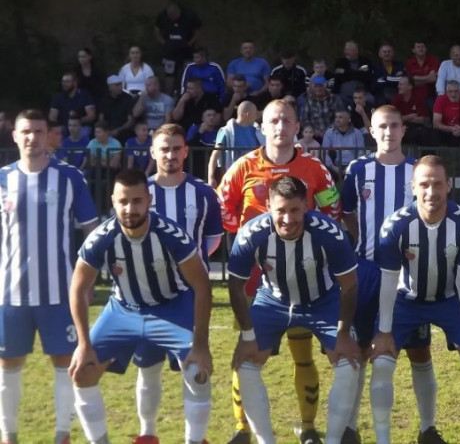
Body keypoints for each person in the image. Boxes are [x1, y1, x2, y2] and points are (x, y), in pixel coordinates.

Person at [216, 99, 340, 444]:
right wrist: (247, 237)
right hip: (254, 283)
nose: (280, 126)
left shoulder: (315, 168)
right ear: (262, 127)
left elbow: (332, 209)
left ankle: (308, 426)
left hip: (302, 280)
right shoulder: (242, 167)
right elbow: (222, 209)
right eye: (273, 120)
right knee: (247, 353)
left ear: (297, 126)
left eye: (286, 120)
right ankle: (243, 429)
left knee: (303, 355)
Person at [69, 169, 213, 444]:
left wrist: (201, 344)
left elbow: (202, 285)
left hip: (172, 306)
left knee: (198, 372)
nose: (130, 208)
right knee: (82, 372)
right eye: (123, 201)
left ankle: (195, 440)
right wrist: (83, 344)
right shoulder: (101, 237)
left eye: (137, 201)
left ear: (149, 200)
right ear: (113, 201)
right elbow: (77, 288)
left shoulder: (171, 235)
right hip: (124, 309)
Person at [226, 176, 360, 444]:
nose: (287, 219)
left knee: (348, 365)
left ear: (306, 206)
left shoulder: (329, 232)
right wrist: (247, 336)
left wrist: (344, 333)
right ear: (268, 207)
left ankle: (333, 440)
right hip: (272, 301)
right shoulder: (252, 233)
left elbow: (349, 285)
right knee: (246, 363)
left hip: (322, 301)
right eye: (281, 211)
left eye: (295, 210)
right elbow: (235, 286)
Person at [370, 155, 460, 444]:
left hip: (450, 299)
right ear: (413, 187)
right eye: (424, 184)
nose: (431, 191)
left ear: (449, 185)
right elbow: (388, 282)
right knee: (382, 364)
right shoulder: (395, 226)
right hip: (405, 301)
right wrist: (384, 331)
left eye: (438, 184)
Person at [341, 106, 445, 444]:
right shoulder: (358, 170)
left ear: (403, 130)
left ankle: (428, 427)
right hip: (367, 272)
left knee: (419, 350)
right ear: (372, 131)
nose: (388, 132)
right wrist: (368, 244)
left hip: (408, 274)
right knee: (358, 349)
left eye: (394, 126)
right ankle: (350, 427)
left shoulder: (417, 170)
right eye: (382, 126)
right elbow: (348, 214)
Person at [0, 110, 98, 444]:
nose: (32, 137)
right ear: (15, 136)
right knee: (8, 363)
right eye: (25, 131)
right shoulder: (3, 179)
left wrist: (88, 282)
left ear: (48, 136)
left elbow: (91, 231)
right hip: (10, 293)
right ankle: (8, 436)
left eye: (38, 131)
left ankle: (62, 435)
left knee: (65, 362)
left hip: (60, 292)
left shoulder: (69, 177)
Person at [126, 125, 223, 442]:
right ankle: (147, 434)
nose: (170, 154)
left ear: (185, 151)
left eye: (176, 148)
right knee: (148, 369)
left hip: (190, 298)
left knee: (195, 370)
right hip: (148, 296)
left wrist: (188, 269)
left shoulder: (204, 193)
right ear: (153, 152)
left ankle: (195, 438)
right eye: (164, 149)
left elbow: (212, 240)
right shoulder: (139, 193)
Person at [208, 100, 264, 188]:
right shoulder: (226, 131)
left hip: (254, 177)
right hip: (233, 176)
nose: (256, 117)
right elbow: (215, 154)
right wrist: (211, 177)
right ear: (247, 114)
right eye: (254, 114)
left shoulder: (257, 132)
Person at [154, 0, 202, 95]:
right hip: (170, 51)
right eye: (170, 17)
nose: (172, 19)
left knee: (188, 72)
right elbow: (156, 29)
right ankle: (169, 95)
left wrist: (190, 43)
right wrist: (163, 42)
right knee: (169, 74)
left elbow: (198, 31)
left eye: (174, 17)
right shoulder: (162, 15)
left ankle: (187, 93)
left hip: (187, 50)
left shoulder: (190, 15)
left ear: (178, 12)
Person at [321, 108, 365, 178]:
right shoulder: (329, 132)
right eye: (336, 117)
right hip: (335, 165)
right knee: (324, 174)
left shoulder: (357, 133)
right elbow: (324, 153)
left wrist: (351, 166)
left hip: (353, 165)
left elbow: (361, 153)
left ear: (348, 119)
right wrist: (333, 167)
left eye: (340, 117)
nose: (337, 120)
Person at [297, 76, 343, 140]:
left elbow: (341, 116)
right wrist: (315, 131)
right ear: (312, 87)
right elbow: (304, 119)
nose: (318, 88)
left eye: (321, 86)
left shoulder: (334, 99)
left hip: (334, 133)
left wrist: (329, 131)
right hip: (313, 136)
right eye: (316, 86)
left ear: (325, 86)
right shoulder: (307, 100)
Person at [391, 74, 431, 145]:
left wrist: (403, 118)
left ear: (410, 86)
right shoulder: (396, 99)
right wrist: (410, 116)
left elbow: (421, 119)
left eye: (401, 84)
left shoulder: (418, 98)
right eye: (399, 84)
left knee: (424, 133)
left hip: (416, 127)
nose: (398, 86)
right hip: (402, 128)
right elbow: (394, 119)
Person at [100, 75, 136, 143]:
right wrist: (107, 131)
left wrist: (118, 130)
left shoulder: (128, 98)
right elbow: (101, 119)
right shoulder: (104, 100)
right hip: (108, 132)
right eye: (117, 85)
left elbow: (131, 121)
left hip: (124, 132)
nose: (120, 87)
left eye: (120, 84)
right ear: (110, 87)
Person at [405, 40, 439, 108]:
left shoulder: (433, 60)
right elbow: (410, 81)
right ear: (413, 50)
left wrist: (416, 78)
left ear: (426, 49)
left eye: (422, 46)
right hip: (414, 95)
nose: (421, 49)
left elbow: (433, 79)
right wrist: (427, 78)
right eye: (418, 47)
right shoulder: (409, 62)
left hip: (430, 95)